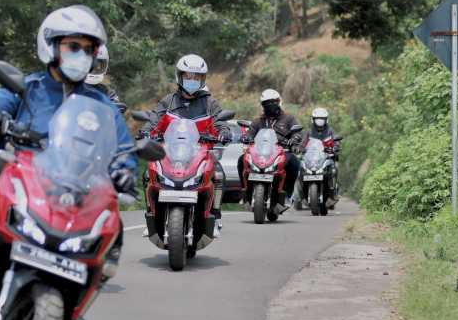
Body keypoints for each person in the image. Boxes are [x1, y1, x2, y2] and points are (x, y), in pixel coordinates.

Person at [0, 5, 137, 319]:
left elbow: (123, 151)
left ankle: (77, 305)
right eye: (73, 47)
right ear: (51, 46)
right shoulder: (26, 87)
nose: (81, 55)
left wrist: (124, 172)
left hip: (73, 188)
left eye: (88, 49)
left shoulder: (103, 106)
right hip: (16, 171)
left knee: (113, 226)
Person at [143, 54, 229, 236]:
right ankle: (150, 214)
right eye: (188, 76)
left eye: (196, 77)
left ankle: (215, 215)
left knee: (219, 174)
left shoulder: (210, 103)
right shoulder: (168, 101)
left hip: (201, 153)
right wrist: (146, 131)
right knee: (147, 173)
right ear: (179, 76)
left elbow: (220, 122)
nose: (192, 80)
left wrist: (223, 132)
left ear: (202, 79)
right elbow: (153, 120)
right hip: (170, 152)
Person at [237, 89, 302, 208]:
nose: (271, 105)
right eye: (267, 103)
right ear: (263, 105)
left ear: (279, 102)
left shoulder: (289, 118)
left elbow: (297, 132)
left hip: (282, 152)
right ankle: (245, 193)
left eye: (273, 102)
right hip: (260, 153)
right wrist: (246, 137)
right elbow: (250, 132)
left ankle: (287, 195)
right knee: (241, 160)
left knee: (294, 163)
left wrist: (294, 140)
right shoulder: (258, 121)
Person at [86, 44, 127, 114]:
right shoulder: (68, 85)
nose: (93, 69)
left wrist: (114, 105)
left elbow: (115, 101)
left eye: (97, 66)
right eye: (89, 65)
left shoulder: (106, 91)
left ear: (105, 65)